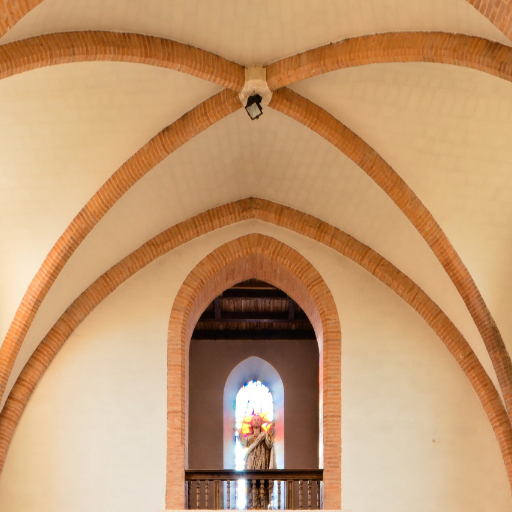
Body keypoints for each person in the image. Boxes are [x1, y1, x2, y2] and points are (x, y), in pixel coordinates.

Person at [234, 414, 276, 508]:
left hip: (262, 461)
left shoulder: (264, 435)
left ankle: (262, 504)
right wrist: (240, 433)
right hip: (251, 462)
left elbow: (269, 444)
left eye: (258, 420)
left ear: (261, 423)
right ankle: (251, 504)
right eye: (254, 420)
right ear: (252, 423)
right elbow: (243, 444)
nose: (256, 421)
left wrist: (270, 432)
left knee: (262, 484)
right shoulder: (249, 437)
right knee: (250, 483)